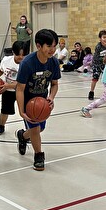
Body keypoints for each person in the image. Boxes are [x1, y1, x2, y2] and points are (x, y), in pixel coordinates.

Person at [16, 29, 61, 171]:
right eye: (49, 46)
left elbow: (54, 84)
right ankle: (39, 155)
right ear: (39, 46)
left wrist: (51, 97)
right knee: (35, 129)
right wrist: (21, 110)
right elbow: (20, 89)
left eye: (55, 46)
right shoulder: (27, 63)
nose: (52, 50)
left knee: (40, 128)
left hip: (42, 101)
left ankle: (22, 136)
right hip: (29, 102)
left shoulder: (53, 62)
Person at [0, 40, 30, 135]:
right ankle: (1, 126)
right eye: (18, 54)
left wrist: (8, 85)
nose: (21, 57)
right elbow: (0, 71)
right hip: (7, 91)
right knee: (4, 110)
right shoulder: (6, 60)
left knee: (26, 111)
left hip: (23, 90)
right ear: (13, 52)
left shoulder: (28, 64)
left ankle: (29, 129)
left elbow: (22, 83)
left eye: (23, 55)